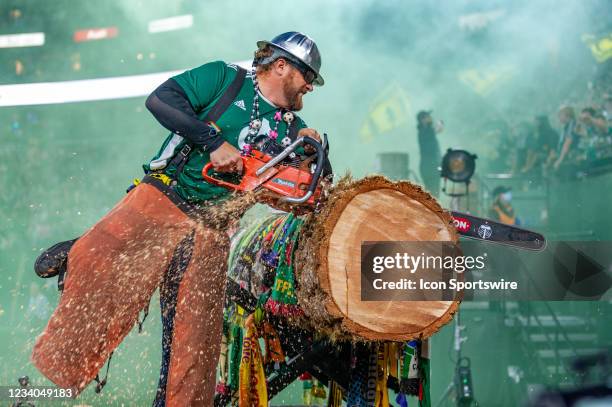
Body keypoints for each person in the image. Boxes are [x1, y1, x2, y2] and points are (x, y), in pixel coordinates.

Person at [30, 31, 329, 406]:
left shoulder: (290, 132)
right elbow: (160, 100)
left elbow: (310, 194)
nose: (310, 88)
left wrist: (316, 152)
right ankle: (81, 258)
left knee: (195, 345)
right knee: (99, 273)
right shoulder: (225, 78)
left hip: (212, 232)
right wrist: (212, 142)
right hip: (164, 199)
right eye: (307, 77)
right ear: (281, 65)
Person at [416, 110, 443, 197]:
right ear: (423, 120)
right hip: (430, 167)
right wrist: (440, 123)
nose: (430, 118)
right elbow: (439, 129)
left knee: (432, 193)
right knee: (433, 194)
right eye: (428, 116)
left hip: (429, 166)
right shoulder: (426, 130)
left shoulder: (424, 130)